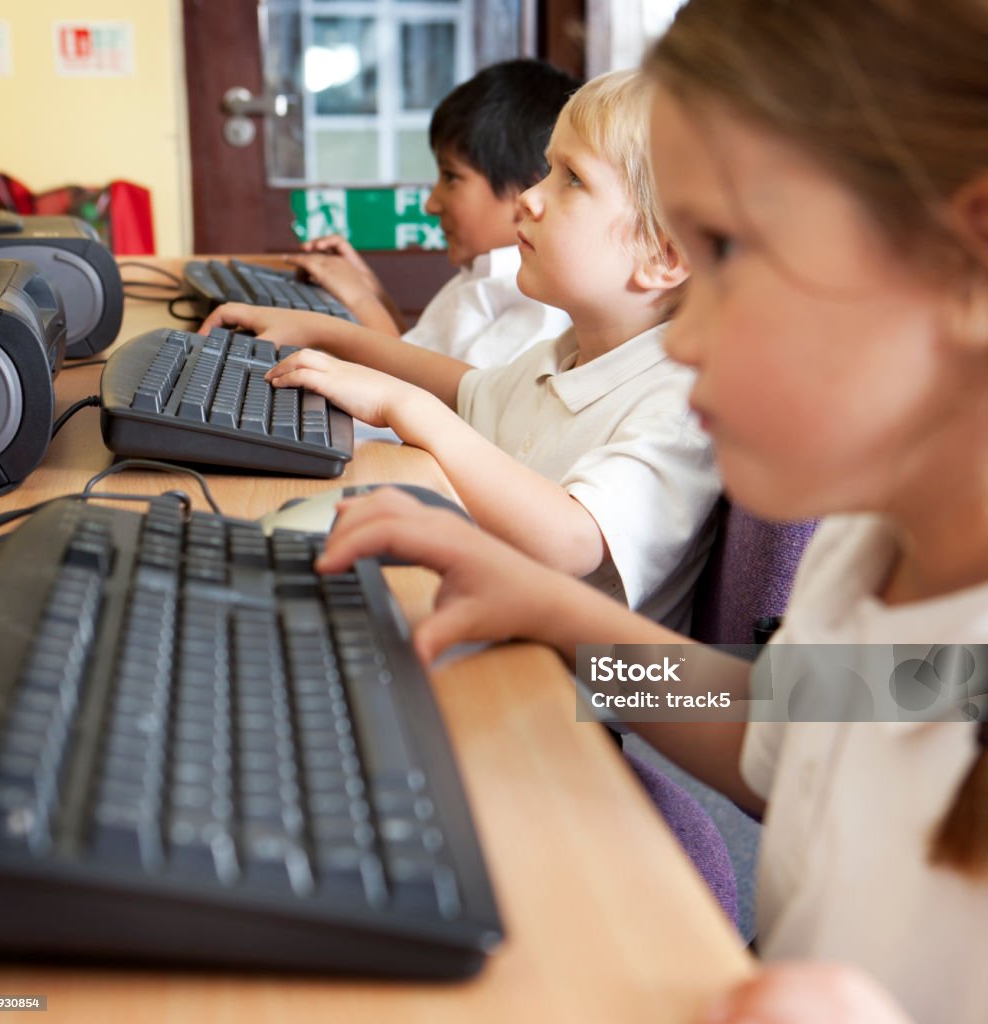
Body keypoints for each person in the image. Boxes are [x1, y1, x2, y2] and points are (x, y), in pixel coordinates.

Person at [304, 1, 988, 1022]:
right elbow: (776, 737)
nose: (676, 341)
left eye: (725, 254)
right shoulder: (872, 544)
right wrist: (559, 617)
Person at [203, 70, 720, 628]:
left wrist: (404, 406)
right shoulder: (571, 351)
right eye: (548, 169)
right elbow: (465, 389)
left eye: (572, 179)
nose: (529, 197)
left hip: (580, 699)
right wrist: (327, 333)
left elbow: (573, 539)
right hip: (503, 630)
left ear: (663, 258)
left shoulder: (684, 401)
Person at [290, 59, 576, 366]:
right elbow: (424, 359)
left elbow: (440, 403)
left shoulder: (537, 307)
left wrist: (360, 300)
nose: (431, 204)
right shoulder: (479, 273)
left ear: (525, 193)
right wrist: (373, 292)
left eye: (451, 177)